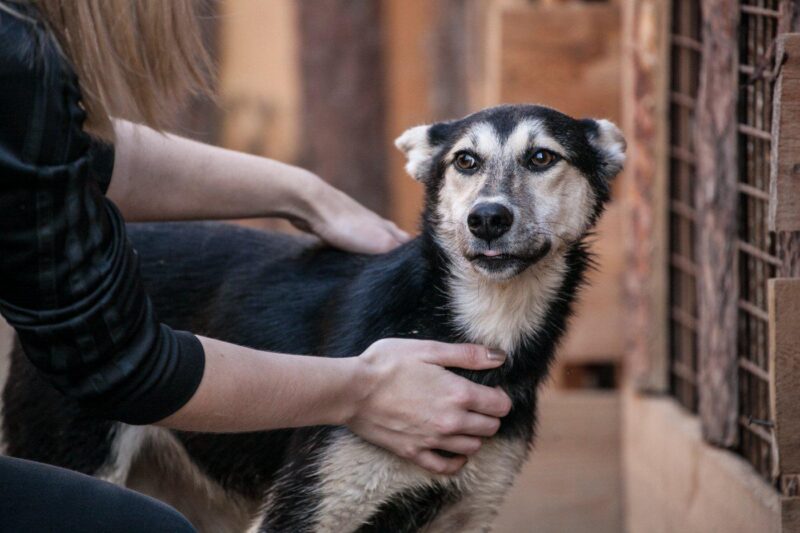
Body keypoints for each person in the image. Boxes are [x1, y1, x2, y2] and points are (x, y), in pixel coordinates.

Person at [0, 1, 512, 531]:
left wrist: (305, 195)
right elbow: (117, 360)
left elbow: (63, 154)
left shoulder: (16, 50)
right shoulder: (16, 51)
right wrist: (361, 390)